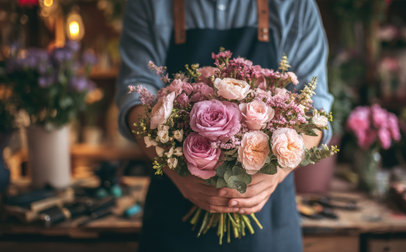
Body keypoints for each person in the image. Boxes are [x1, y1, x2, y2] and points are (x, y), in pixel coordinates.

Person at [116, 0, 333, 251]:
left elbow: (316, 109)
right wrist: (178, 172)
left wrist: (275, 174)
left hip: (268, 218)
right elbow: (134, 93)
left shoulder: (294, 5)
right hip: (174, 212)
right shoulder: (149, 5)